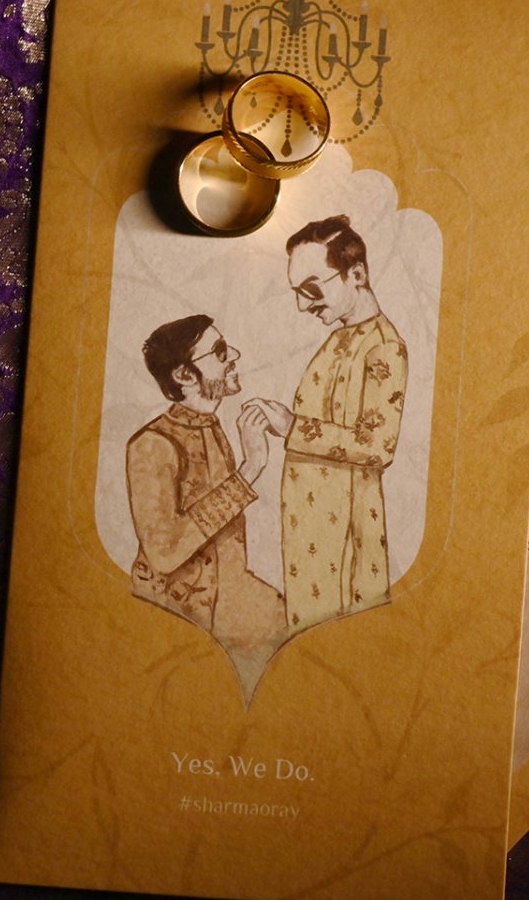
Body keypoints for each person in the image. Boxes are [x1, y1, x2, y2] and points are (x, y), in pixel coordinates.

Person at [246, 216, 408, 635]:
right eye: (297, 293)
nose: (304, 306)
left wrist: (291, 426)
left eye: (312, 290)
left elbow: (378, 447)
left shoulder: (384, 346)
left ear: (357, 275)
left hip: (345, 528)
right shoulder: (338, 337)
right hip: (310, 526)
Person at [126, 314, 287, 703]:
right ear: (185, 375)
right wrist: (250, 469)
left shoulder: (211, 426)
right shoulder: (151, 445)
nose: (234, 356)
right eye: (220, 352)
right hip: (176, 614)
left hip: (229, 599)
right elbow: (164, 551)